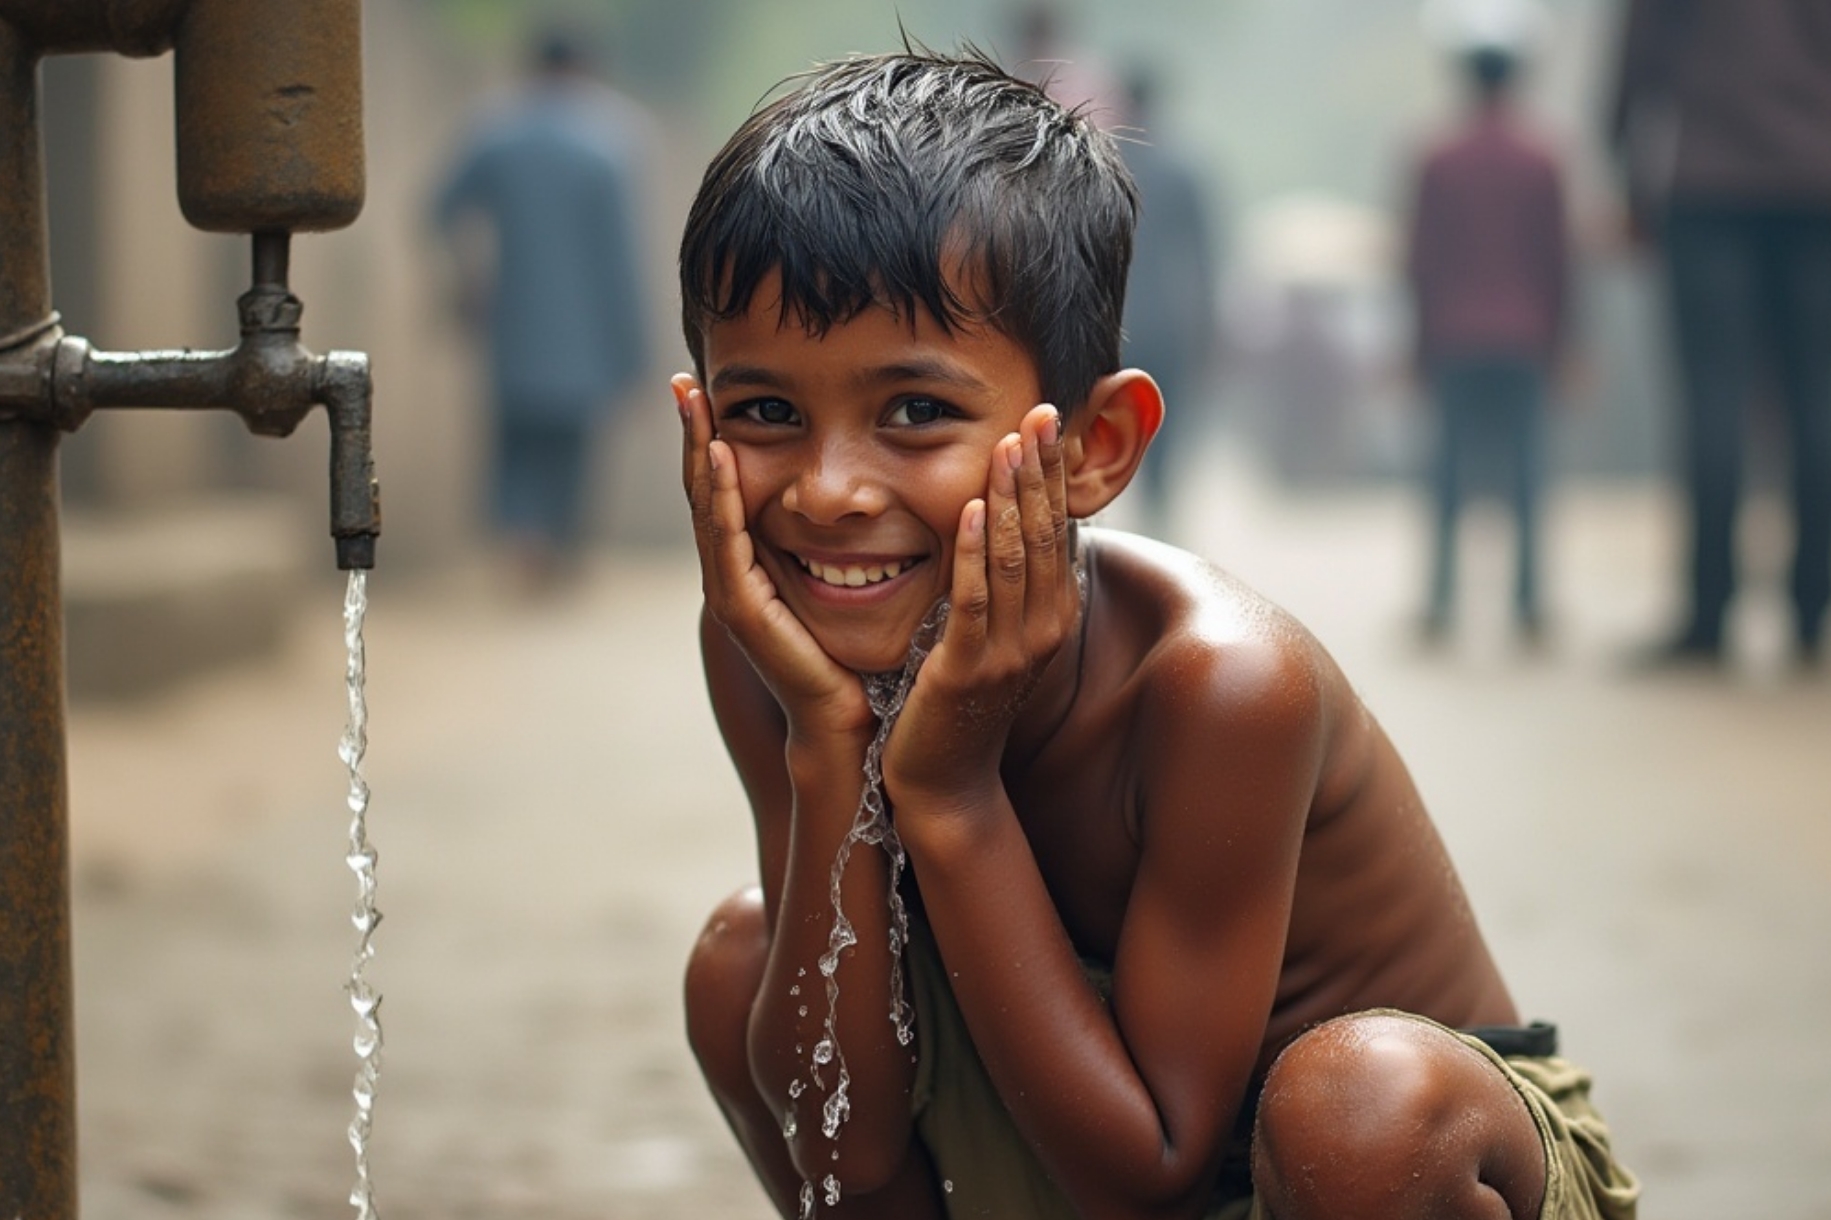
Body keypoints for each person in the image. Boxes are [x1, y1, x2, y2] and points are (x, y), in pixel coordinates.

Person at [675, 49, 1638, 1219]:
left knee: (1359, 1108)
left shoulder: (1218, 684)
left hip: (1361, 1172)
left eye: (915, 411)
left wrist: (949, 789)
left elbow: (1152, 1169)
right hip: (1058, 1116)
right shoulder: (773, 650)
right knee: (742, 963)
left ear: (1096, 447)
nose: (827, 491)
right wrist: (828, 745)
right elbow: (840, 1144)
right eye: (765, 411)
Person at [1608, 0, 1831, 668]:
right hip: (1817, 181)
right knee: (1818, 404)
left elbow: (1638, 55)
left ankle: (1708, 614)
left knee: (1713, 401)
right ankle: (1810, 612)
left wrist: (1628, 171)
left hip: (1710, 181)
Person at [432, 28, 651, 589]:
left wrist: (468, 275)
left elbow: (440, 208)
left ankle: (521, 541)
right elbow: (620, 260)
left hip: (515, 326)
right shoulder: (607, 145)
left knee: (515, 441)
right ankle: (553, 548)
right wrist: (634, 350)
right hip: (586, 335)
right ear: (583, 70)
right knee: (570, 448)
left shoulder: (496, 134)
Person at [1404, 40, 1570, 645]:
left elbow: (1421, 259)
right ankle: (1528, 604)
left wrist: (1417, 345)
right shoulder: (1543, 158)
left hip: (1455, 335)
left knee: (1447, 472)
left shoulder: (1438, 158)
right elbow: (1558, 260)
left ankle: (1440, 602)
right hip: (1525, 337)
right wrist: (1567, 343)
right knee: (1527, 472)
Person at [1117, 65, 1222, 537]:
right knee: (1162, 423)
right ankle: (1156, 520)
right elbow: (1202, 258)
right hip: (1170, 322)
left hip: (1112, 319)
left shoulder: (1103, 164)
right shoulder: (1183, 169)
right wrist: (1207, 327)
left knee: (1109, 418)